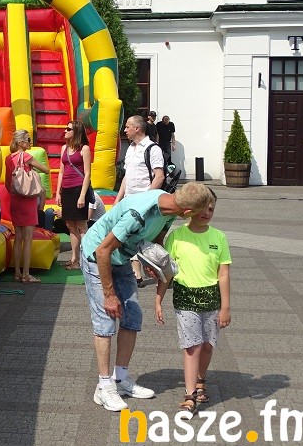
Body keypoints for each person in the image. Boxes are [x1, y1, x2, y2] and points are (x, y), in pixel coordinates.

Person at [80, 182, 214, 412]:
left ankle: (120, 379)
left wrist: (153, 263)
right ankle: (103, 386)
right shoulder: (137, 215)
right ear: (187, 211)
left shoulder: (170, 209)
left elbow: (155, 242)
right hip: (97, 256)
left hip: (121, 258)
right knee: (105, 320)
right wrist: (109, 294)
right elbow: (102, 251)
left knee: (132, 316)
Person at [155, 188, 231, 415]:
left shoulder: (219, 237)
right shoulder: (177, 237)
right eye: (203, 208)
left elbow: (223, 274)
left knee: (207, 346)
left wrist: (225, 307)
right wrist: (158, 299)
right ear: (192, 209)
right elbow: (167, 272)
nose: (206, 213)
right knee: (192, 347)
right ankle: (190, 395)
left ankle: (200, 379)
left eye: (211, 209)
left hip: (211, 297)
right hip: (185, 297)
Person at [116, 115, 166, 285]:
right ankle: (136, 274)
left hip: (144, 203)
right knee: (131, 236)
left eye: (127, 127)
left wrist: (147, 201)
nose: (125, 130)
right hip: (129, 202)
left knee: (148, 240)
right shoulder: (130, 148)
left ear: (137, 128)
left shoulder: (153, 148)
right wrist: (118, 200)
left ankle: (165, 270)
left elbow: (159, 176)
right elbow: (127, 177)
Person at [5, 129, 50, 283]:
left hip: (15, 199)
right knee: (28, 239)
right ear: (21, 142)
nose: (30, 142)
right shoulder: (26, 157)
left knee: (18, 237)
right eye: (28, 140)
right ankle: (26, 274)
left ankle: (17, 272)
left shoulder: (9, 158)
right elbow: (46, 170)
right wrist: (31, 170)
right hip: (28, 200)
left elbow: (8, 183)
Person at [54, 120, 91, 270]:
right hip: (67, 189)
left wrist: (82, 195)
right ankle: (74, 259)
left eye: (68, 129)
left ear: (76, 132)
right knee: (70, 225)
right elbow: (61, 172)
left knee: (81, 225)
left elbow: (87, 173)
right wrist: (58, 192)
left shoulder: (84, 149)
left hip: (78, 188)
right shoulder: (64, 148)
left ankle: (86, 259)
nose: (65, 131)